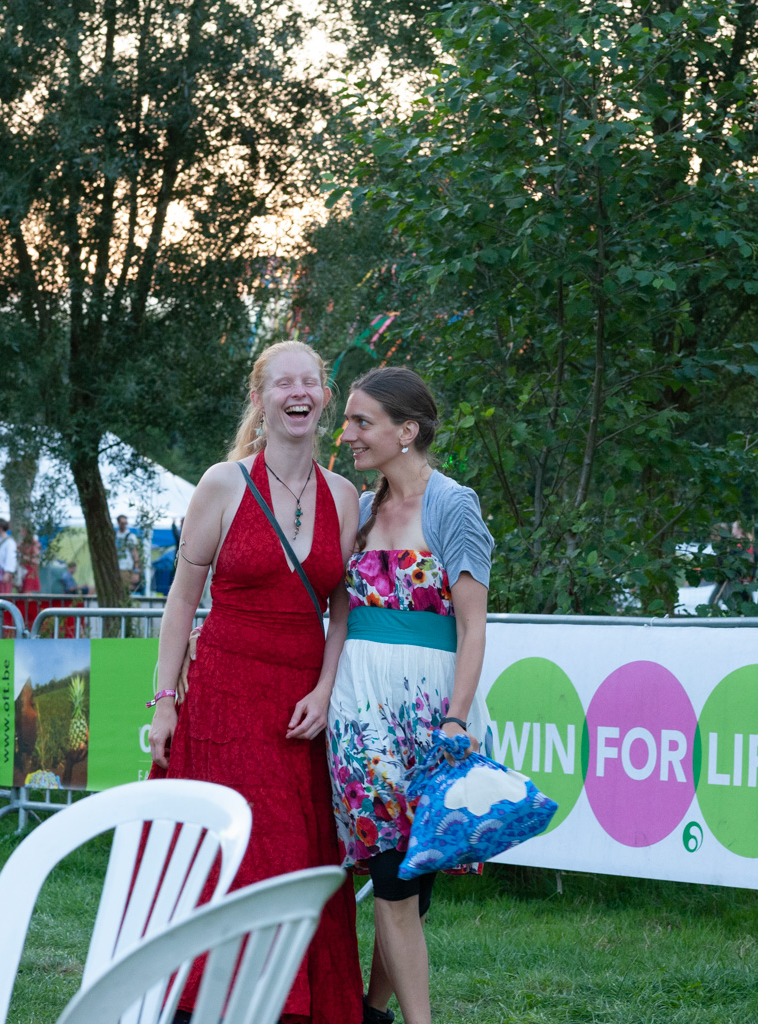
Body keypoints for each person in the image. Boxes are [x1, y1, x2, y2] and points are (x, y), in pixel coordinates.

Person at [146, 340, 363, 1024]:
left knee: (293, 858)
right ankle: (202, 1003)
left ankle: (285, 1005)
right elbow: (181, 600)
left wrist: (325, 689)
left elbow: (342, 610)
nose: (298, 393)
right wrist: (165, 701)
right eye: (283, 383)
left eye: (310, 382)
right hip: (224, 699)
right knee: (235, 850)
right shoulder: (222, 483)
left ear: (324, 396)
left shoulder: (345, 496)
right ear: (259, 398)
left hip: (299, 707)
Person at [328, 366, 494, 1024]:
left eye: (360, 422)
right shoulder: (360, 511)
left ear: (406, 430)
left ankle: (372, 1014)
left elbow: (473, 625)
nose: (346, 434)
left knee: (410, 883)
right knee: (392, 877)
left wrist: (456, 720)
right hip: (359, 710)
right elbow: (340, 615)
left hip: (431, 716)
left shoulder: (453, 504)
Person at [0, 519, 17, 594]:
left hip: (4, 573)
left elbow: (11, 557)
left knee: (4, 594)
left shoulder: (10, 542)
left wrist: (8, 572)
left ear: (1, 528)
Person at [116, 514, 141, 591]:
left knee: (124, 588)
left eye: (125, 523)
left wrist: (136, 570)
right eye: (122, 523)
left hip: (126, 566)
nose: (124, 525)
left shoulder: (130, 536)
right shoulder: (114, 535)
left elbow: (135, 553)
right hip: (115, 567)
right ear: (118, 523)